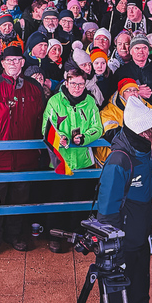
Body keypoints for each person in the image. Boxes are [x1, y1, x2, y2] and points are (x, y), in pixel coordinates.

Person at [92, 96, 152, 303]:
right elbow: (106, 212)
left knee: (139, 301)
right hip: (121, 247)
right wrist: (114, 251)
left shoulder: (147, 152)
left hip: (139, 242)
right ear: (143, 132)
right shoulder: (119, 161)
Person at [0, 46, 46, 256]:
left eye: (17, 60)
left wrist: (37, 147)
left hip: (26, 156)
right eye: (9, 60)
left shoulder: (34, 87)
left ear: (23, 63)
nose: (13, 64)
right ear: (2, 64)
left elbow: (41, 119)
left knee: (20, 198)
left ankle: (14, 235)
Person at [42, 67, 104, 252]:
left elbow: (98, 128)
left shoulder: (90, 102)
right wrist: (60, 137)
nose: (77, 87)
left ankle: (77, 235)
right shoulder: (55, 101)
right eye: (74, 83)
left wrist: (85, 138)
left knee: (81, 199)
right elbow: (46, 126)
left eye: (81, 84)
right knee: (57, 199)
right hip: (60, 160)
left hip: (83, 161)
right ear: (66, 83)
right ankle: (54, 236)